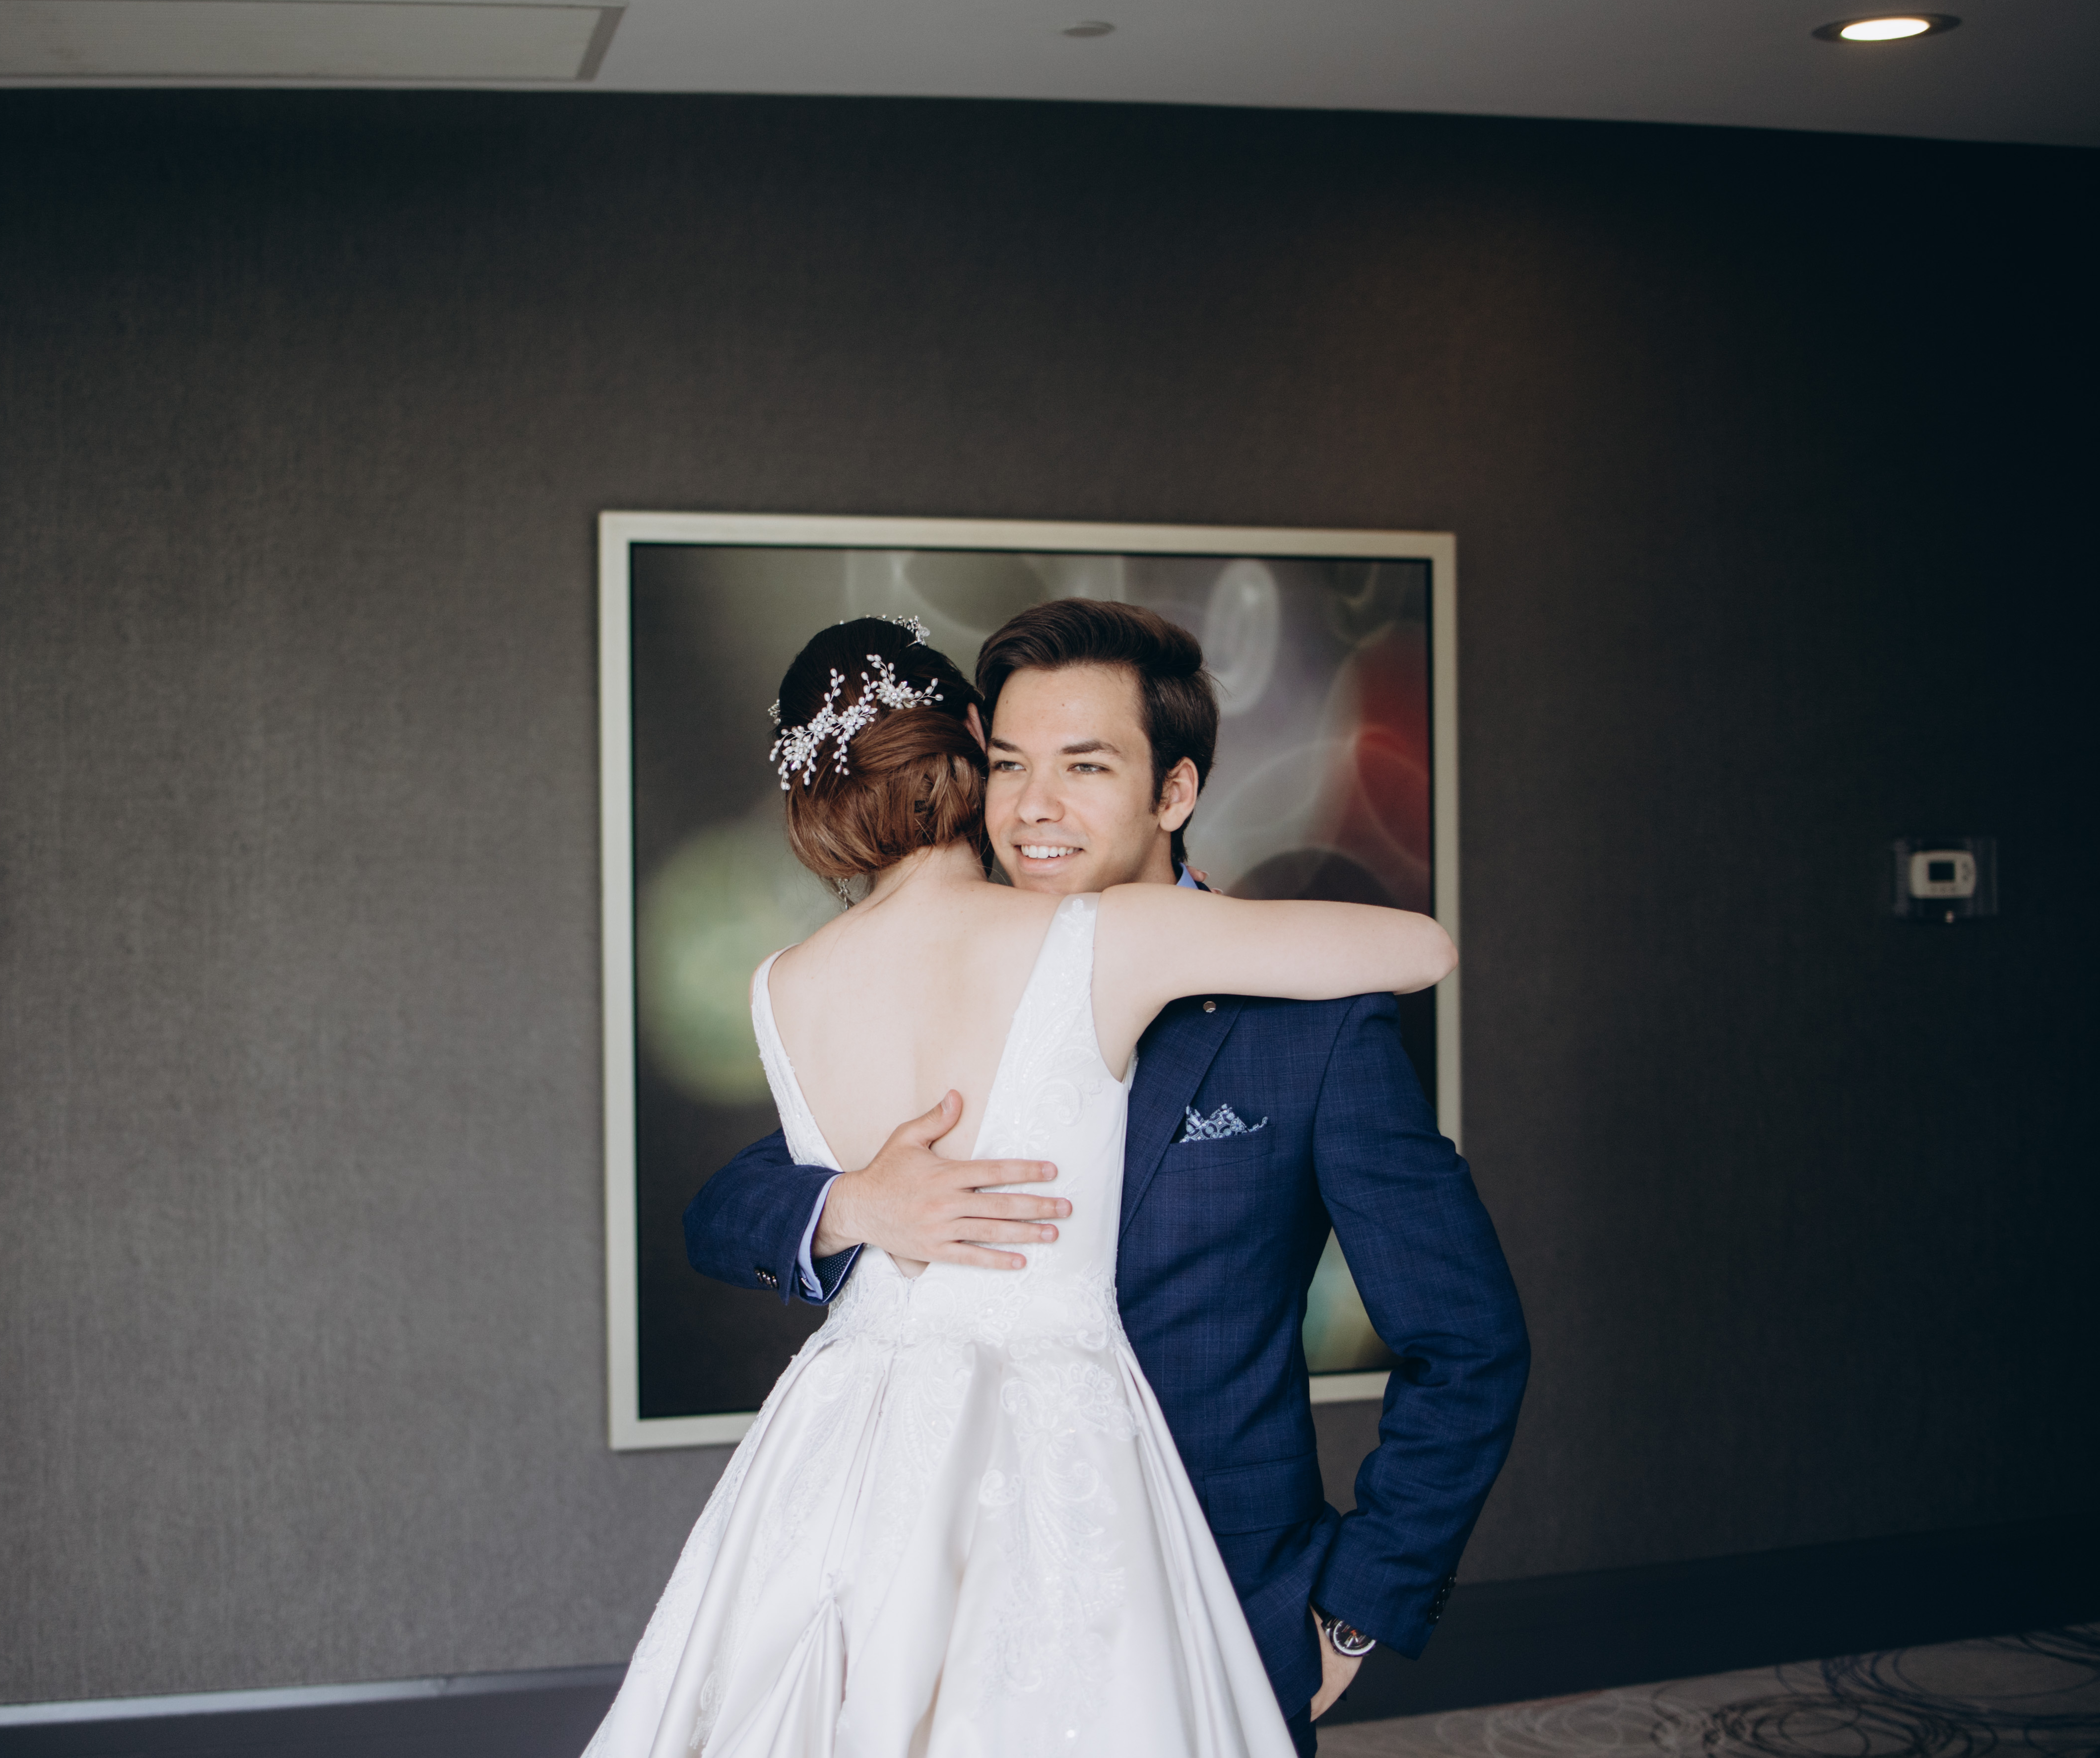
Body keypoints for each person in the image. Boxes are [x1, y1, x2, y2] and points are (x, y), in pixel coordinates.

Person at [585, 611, 1473, 1758]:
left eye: (1083, 767)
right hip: (1032, 1457)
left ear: (1173, 790)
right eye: (1010, 764)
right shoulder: (1102, 939)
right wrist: (851, 1203)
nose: (1037, 805)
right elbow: (733, 1204)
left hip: (914, 1478)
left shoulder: (786, 983)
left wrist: (1359, 1607)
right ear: (968, 748)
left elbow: (1466, 1338)